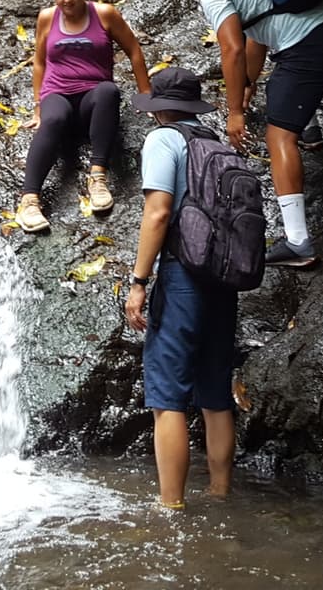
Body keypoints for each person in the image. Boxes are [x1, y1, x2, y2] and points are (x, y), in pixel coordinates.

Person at [159, 0, 323, 268]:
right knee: (285, 88)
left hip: (310, 42)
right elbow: (256, 37)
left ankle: (298, 243)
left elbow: (232, 49)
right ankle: (309, 128)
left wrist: (235, 113)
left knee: (278, 136)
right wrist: (247, 86)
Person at [123, 66, 237, 510]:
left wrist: (139, 282)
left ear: (160, 109)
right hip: (223, 278)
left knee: (167, 396)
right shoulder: (218, 144)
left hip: (183, 275)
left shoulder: (163, 140)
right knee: (214, 391)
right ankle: (220, 493)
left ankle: (170, 506)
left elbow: (158, 212)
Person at [16, 0, 154, 234]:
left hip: (93, 97)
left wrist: (146, 94)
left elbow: (134, 50)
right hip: (59, 93)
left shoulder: (105, 14)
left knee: (108, 92)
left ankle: (98, 177)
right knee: (53, 118)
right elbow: (40, 62)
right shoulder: (46, 17)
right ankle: (29, 200)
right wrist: (37, 107)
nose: (67, 0)